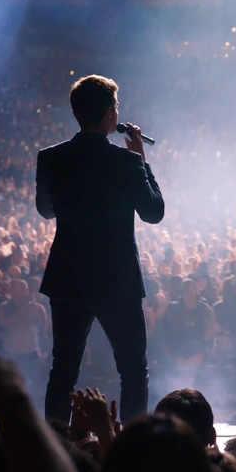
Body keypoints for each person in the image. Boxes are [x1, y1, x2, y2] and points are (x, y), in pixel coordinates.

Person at [36, 75, 165, 423]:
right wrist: (141, 161)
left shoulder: (51, 158)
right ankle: (133, 445)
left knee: (63, 370)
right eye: (116, 107)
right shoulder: (126, 162)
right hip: (117, 280)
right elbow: (153, 212)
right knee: (133, 370)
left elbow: (45, 210)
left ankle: (56, 444)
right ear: (109, 114)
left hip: (67, 278)